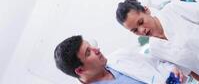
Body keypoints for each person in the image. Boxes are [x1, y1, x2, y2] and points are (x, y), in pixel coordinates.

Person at [54, 35, 186, 84]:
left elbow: (157, 63)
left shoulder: (120, 56)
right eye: (89, 53)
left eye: (91, 46)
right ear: (80, 70)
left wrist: (171, 69)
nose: (97, 50)